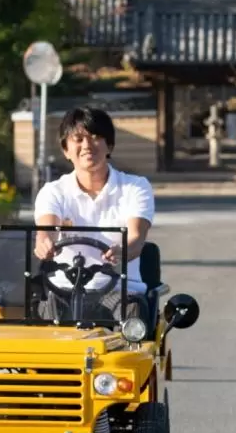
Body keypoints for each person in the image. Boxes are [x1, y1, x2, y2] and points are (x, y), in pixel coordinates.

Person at [32, 105, 155, 322]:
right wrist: (45, 244)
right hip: (63, 290)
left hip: (120, 290)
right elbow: (47, 230)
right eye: (78, 139)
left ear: (110, 145)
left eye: (96, 137)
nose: (87, 146)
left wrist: (122, 251)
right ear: (65, 150)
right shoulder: (53, 191)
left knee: (132, 316)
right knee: (44, 314)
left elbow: (136, 238)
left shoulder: (135, 187)